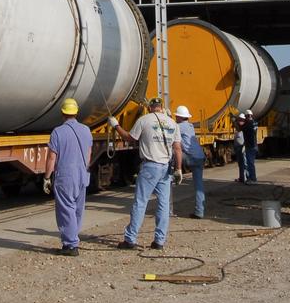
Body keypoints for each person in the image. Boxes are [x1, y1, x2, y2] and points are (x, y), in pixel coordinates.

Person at [109, 98, 182, 249]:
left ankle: (130, 239)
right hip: (166, 168)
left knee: (141, 202)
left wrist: (115, 125)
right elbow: (177, 148)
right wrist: (179, 169)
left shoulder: (144, 120)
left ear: (150, 108)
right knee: (163, 204)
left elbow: (129, 138)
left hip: (150, 167)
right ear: (161, 108)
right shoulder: (172, 123)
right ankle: (159, 241)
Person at [43, 97, 93, 256]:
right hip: (82, 174)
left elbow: (52, 157)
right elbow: (89, 154)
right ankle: (73, 238)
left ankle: (71, 245)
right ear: (76, 112)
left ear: (62, 113)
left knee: (66, 209)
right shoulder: (86, 130)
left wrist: (46, 177)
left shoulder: (58, 132)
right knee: (77, 209)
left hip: (66, 176)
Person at [174, 105, 207, 218]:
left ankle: (169, 176)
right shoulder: (190, 126)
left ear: (179, 117)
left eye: (176, 116)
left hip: (190, 157)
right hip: (200, 157)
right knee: (199, 186)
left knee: (170, 156)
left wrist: (165, 116)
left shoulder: (179, 127)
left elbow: (169, 129)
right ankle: (199, 212)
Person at [241, 110, 259, 184]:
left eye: (245, 116)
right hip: (254, 145)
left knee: (250, 163)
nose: (244, 118)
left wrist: (234, 120)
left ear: (247, 116)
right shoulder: (255, 123)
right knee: (251, 163)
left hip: (250, 146)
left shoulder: (248, 124)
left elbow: (241, 128)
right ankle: (251, 178)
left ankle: (253, 179)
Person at [233, 113, 247, 182]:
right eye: (239, 120)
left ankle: (245, 178)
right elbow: (235, 124)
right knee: (240, 164)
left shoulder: (245, 128)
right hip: (238, 147)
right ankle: (241, 177)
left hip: (242, 147)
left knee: (244, 163)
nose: (240, 121)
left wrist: (244, 146)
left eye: (241, 120)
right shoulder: (238, 127)